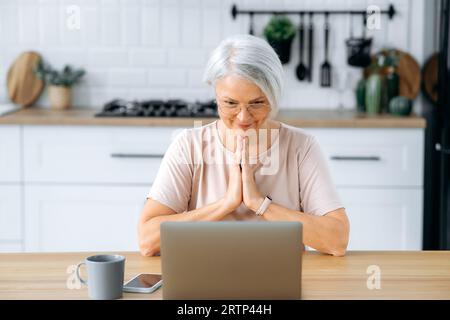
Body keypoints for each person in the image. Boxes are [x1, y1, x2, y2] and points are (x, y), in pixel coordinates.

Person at [138, 34, 349, 257]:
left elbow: (337, 240)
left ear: (274, 96)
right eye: (230, 103)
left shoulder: (301, 146)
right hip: (206, 281)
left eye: (257, 103)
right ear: (216, 95)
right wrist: (225, 204)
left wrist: (259, 203)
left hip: (278, 283)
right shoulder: (189, 146)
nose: (243, 117)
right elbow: (147, 240)